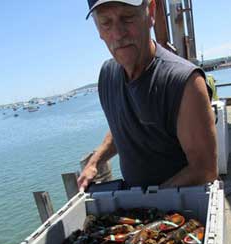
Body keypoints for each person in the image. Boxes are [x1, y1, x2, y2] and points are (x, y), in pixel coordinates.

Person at [77, 0, 218, 191]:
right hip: (138, 207)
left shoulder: (184, 82)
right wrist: (95, 161)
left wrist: (150, 200)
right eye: (106, 22)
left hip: (183, 208)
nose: (118, 34)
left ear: (150, 12)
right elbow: (123, 127)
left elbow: (205, 169)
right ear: (98, 30)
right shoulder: (107, 75)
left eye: (127, 18)